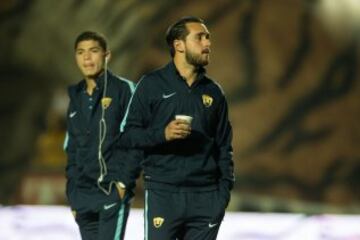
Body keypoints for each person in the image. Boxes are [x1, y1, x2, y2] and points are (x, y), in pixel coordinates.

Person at [119, 16, 235, 239]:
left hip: (206, 197)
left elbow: (224, 147)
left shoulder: (214, 92)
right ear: (178, 45)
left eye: (208, 38)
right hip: (164, 193)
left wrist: (222, 195)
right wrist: (162, 134)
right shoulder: (151, 85)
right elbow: (128, 136)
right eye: (200, 37)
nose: (207, 43)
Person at [63, 31, 140, 240]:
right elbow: (71, 149)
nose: (87, 58)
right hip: (82, 197)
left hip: (112, 192)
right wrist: (73, 194)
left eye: (93, 51)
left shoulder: (125, 90)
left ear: (107, 55)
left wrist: (123, 185)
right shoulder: (75, 97)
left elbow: (137, 141)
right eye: (80, 52)